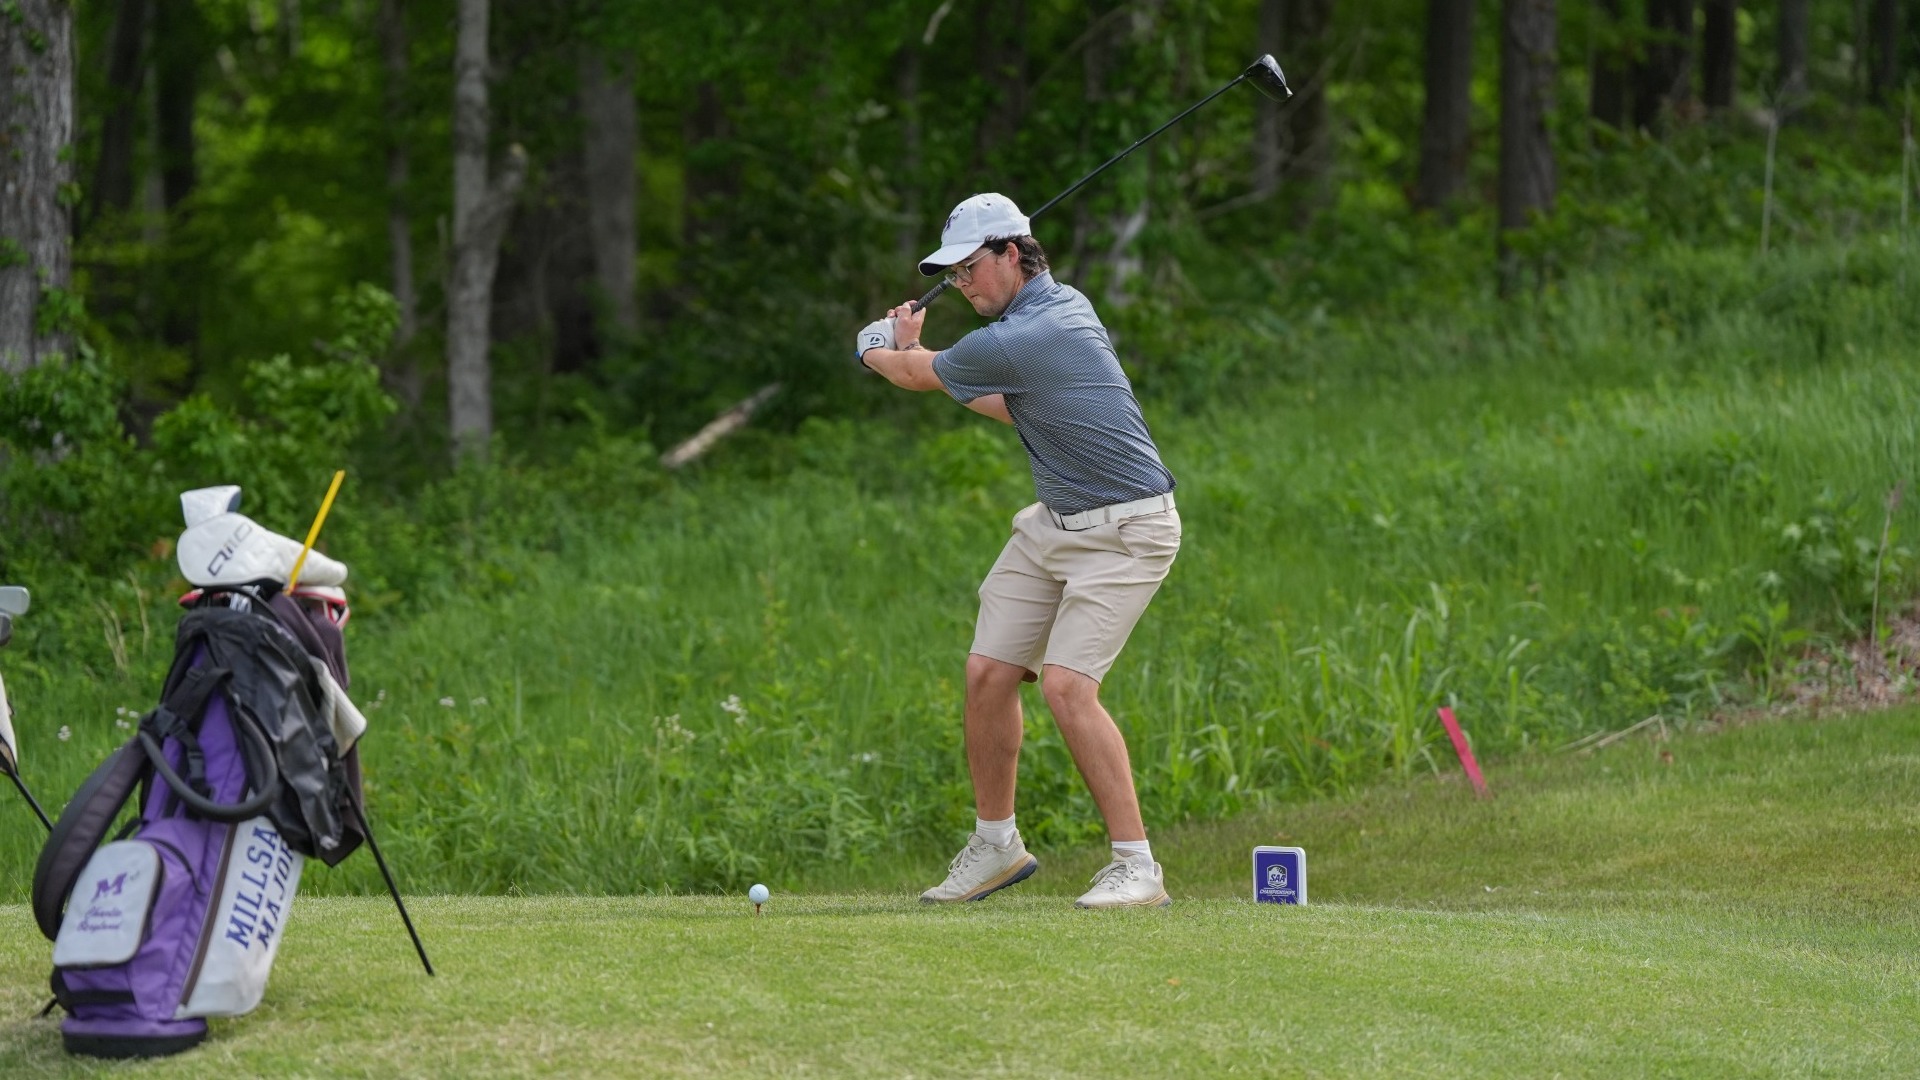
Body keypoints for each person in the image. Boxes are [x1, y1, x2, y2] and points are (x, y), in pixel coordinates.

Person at [857, 193, 1182, 909]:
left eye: (970, 268)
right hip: (1055, 525)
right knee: (987, 673)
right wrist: (909, 355)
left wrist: (875, 346)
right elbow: (1007, 402)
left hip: (1128, 533)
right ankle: (996, 846)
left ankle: (1138, 867)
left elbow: (914, 376)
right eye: (954, 274)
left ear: (1012, 254)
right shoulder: (1049, 315)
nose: (964, 284)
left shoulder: (1036, 329)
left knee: (1067, 687)